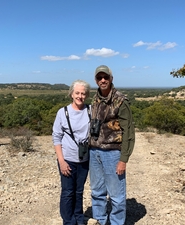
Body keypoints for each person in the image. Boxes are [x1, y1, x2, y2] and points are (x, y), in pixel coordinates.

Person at [89, 65, 135, 225]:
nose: (103, 80)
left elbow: (128, 132)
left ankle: (116, 222)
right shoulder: (94, 99)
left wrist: (124, 159)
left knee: (116, 195)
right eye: (99, 77)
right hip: (94, 151)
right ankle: (100, 221)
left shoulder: (120, 101)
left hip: (113, 153)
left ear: (111, 79)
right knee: (97, 191)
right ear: (96, 80)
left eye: (105, 77)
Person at [52, 80, 91, 225]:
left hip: (84, 159)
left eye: (83, 93)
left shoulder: (90, 111)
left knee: (79, 192)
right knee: (68, 192)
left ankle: (79, 219)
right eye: (77, 93)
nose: (80, 96)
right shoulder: (63, 113)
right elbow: (56, 137)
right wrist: (61, 161)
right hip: (67, 159)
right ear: (71, 94)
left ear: (86, 95)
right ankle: (68, 221)